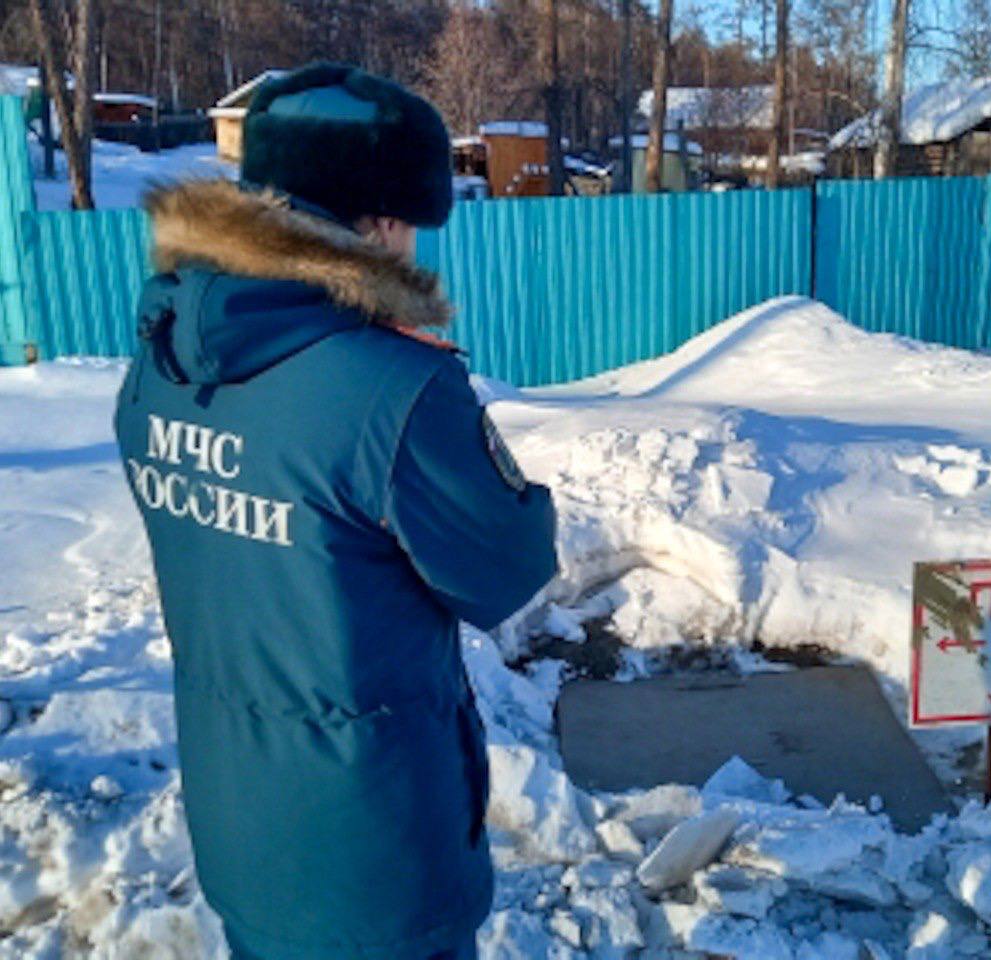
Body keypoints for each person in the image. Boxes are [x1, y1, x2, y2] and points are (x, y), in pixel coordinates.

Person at [114, 63, 558, 960]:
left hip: (241, 829)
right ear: (381, 220)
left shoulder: (161, 360)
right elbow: (506, 570)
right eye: (412, 227)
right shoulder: (395, 385)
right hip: (378, 857)